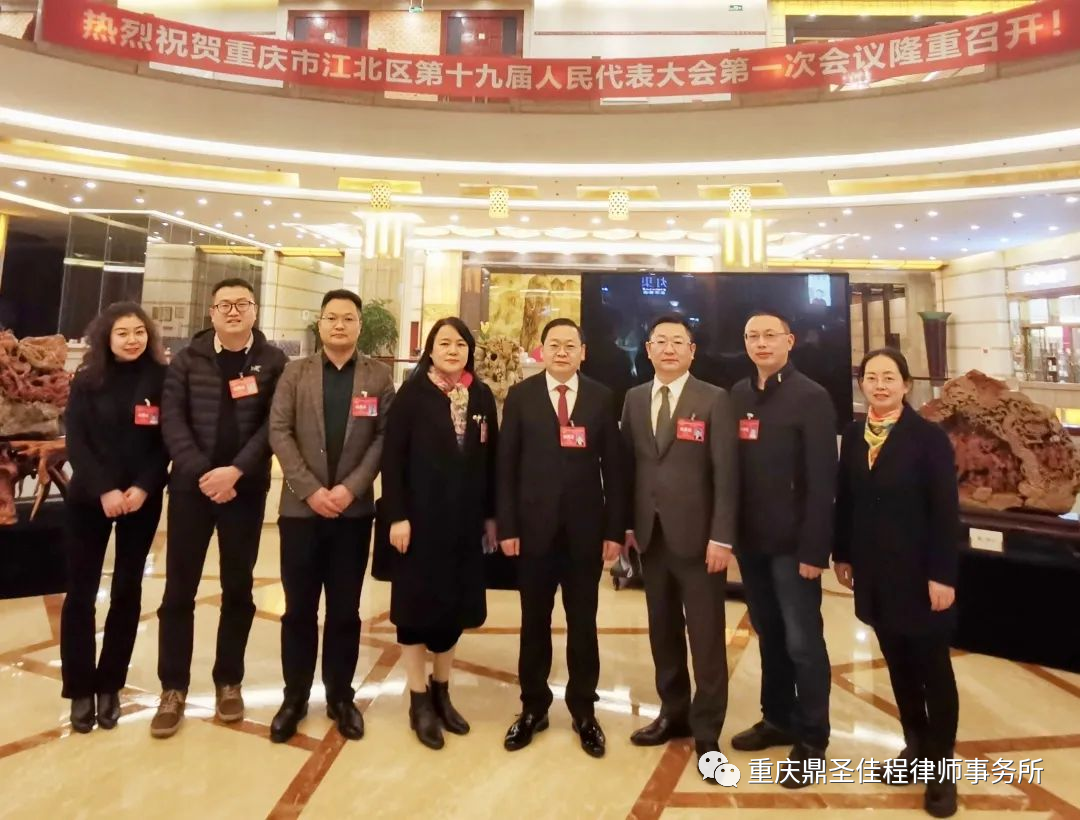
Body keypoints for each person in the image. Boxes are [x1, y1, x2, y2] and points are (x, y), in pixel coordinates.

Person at [151, 278, 288, 738]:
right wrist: (204, 474)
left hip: (244, 491)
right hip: (191, 490)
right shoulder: (187, 359)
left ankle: (229, 680)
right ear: (211, 313)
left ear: (254, 311)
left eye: (241, 304)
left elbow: (274, 425)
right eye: (224, 305)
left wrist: (236, 472)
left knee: (238, 588)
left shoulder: (273, 361)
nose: (233, 311)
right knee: (178, 591)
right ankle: (173, 688)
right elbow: (172, 422)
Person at [834, 349, 960, 819]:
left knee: (933, 672)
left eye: (889, 377)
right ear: (862, 384)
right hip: (874, 575)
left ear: (906, 385)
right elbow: (845, 499)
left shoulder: (928, 438)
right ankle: (915, 749)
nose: (880, 385)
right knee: (900, 669)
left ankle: (941, 768)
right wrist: (842, 553)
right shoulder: (853, 435)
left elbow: (945, 512)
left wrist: (942, 574)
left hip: (921, 576)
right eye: (872, 377)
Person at [267, 290, 395, 743]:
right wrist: (311, 490)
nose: (339, 325)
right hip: (300, 512)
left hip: (353, 514)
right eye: (332, 318)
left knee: (345, 610)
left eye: (348, 318)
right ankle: (294, 697)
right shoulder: (295, 372)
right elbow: (278, 430)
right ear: (319, 324)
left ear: (360, 325)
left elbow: (383, 438)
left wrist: (349, 489)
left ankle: (341, 696)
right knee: (298, 610)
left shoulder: (377, 376)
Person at [498, 318, 625, 759]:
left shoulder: (602, 397)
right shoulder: (521, 396)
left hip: (585, 534)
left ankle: (584, 710)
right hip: (532, 533)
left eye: (571, 345)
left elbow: (615, 470)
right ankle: (533, 707)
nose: (562, 352)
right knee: (533, 621)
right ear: (541, 351)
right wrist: (508, 527)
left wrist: (614, 531)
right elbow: (505, 467)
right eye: (554, 345)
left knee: (583, 622)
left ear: (583, 352)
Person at [621, 315, 737, 775]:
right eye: (660, 342)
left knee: (706, 638)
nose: (669, 349)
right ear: (648, 349)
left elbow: (726, 474)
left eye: (678, 342)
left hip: (700, 540)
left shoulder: (714, 399)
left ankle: (707, 729)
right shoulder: (633, 399)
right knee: (662, 631)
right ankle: (673, 712)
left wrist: (722, 536)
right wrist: (628, 526)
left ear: (692, 350)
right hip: (651, 537)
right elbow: (630, 467)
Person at [381, 317, 499, 750]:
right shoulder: (412, 395)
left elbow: (492, 459)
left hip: (464, 525)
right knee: (414, 611)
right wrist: (397, 516)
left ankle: (442, 692)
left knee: (453, 610)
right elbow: (392, 459)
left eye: (460, 344)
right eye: (444, 343)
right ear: (430, 349)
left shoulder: (480, 395)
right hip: (418, 523)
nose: (452, 350)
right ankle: (418, 699)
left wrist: (492, 516)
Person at [729, 310, 836, 787]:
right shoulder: (738, 394)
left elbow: (822, 482)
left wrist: (815, 550)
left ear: (789, 341)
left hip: (794, 547)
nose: (761, 343)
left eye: (770, 335)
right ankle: (777, 718)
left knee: (803, 643)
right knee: (769, 634)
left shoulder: (811, 397)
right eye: (752, 335)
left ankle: (812, 740)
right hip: (751, 542)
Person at [60, 302, 169, 733]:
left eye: (139, 331)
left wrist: (143, 487)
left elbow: (166, 441)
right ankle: (79, 688)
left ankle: (110, 685)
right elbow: (77, 441)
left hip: (142, 498)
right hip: (91, 498)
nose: (132, 339)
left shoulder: (162, 379)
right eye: (123, 332)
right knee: (81, 594)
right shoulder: (87, 379)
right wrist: (104, 489)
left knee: (127, 589)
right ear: (106, 336)